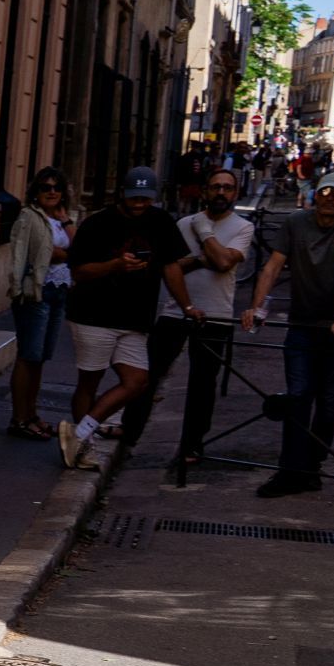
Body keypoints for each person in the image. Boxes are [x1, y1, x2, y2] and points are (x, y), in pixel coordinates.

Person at [60, 166, 203, 470]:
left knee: (138, 381)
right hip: (93, 314)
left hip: (136, 319)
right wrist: (114, 266)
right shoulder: (97, 224)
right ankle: (82, 448)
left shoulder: (161, 221)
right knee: (90, 381)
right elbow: (79, 272)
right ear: (122, 194)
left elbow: (171, 267)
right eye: (135, 198)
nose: (140, 205)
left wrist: (188, 306)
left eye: (146, 199)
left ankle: (79, 433)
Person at [119, 168, 254, 460]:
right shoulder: (182, 224)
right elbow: (171, 266)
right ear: (205, 191)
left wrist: (204, 233)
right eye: (215, 187)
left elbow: (223, 262)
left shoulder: (243, 227)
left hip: (216, 315)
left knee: (202, 384)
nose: (221, 192)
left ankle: (192, 444)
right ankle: (129, 432)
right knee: (148, 374)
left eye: (227, 188)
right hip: (175, 311)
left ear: (236, 193)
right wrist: (205, 258)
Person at [241, 171, 334, 497]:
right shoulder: (296, 222)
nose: (330, 197)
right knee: (299, 394)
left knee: (329, 404)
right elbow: (273, 266)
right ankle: (290, 470)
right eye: (324, 190)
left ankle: (311, 469)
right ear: (315, 193)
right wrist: (256, 307)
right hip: (302, 323)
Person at [6, 168, 77, 440]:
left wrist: (67, 222)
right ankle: (19, 419)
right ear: (36, 192)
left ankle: (32, 414)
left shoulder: (61, 219)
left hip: (59, 292)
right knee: (28, 356)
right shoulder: (29, 217)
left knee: (40, 359)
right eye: (45, 187)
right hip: (35, 293)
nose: (51, 192)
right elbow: (31, 254)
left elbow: (77, 250)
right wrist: (63, 254)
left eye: (56, 187)